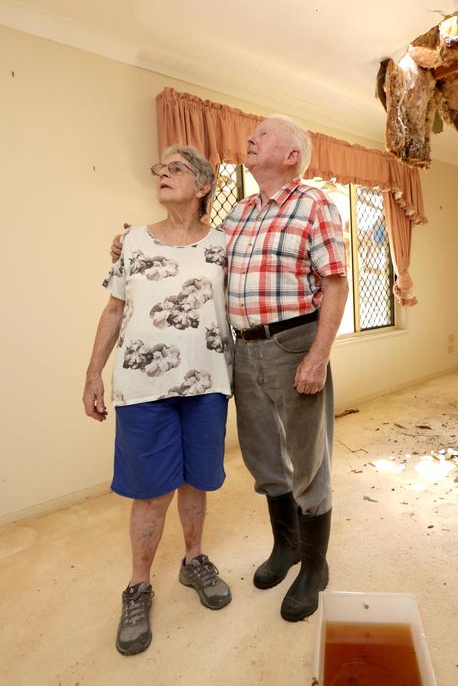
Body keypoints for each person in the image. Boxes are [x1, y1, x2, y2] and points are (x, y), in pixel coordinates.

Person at [111, 116, 348, 622]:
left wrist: (319, 356)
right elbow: (193, 249)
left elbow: (334, 283)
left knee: (307, 459)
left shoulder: (315, 204)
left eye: (263, 135)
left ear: (290, 155)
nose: (252, 139)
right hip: (243, 350)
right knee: (264, 457)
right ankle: (286, 547)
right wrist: (129, 242)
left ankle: (315, 566)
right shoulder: (239, 215)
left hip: (295, 342)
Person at [85, 145, 234, 656]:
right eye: (160, 170)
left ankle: (193, 562)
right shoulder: (131, 241)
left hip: (208, 383)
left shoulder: (224, 244)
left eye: (176, 169)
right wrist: (92, 375)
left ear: (202, 186)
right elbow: (112, 311)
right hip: (142, 388)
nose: (163, 175)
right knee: (150, 491)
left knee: (197, 481)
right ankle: (138, 586)